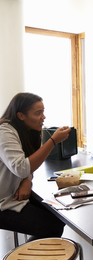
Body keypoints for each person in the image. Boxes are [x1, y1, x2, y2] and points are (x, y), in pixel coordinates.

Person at [0, 92, 71, 240]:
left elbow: (28, 167)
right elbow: (21, 168)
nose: (43, 117)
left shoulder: (28, 131)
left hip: (13, 194)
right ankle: (24, 258)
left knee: (59, 216)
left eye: (43, 111)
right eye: (38, 113)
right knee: (52, 226)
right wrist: (52, 141)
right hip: (3, 201)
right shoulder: (4, 132)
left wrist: (27, 180)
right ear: (21, 116)